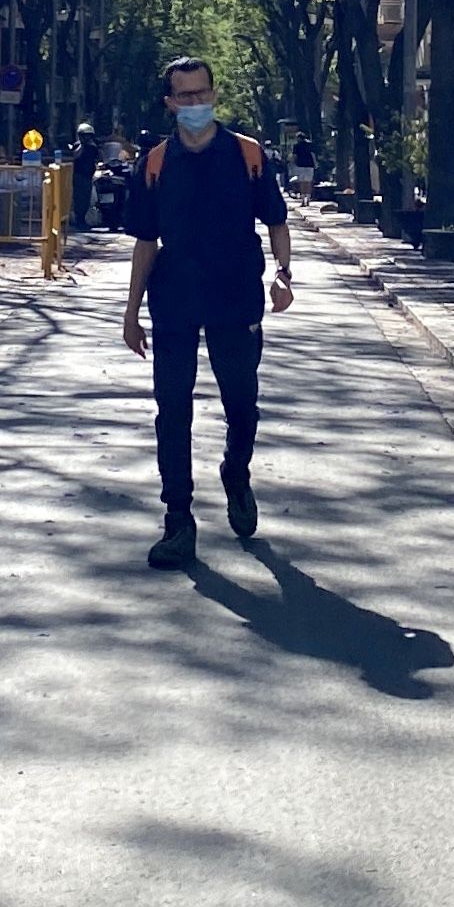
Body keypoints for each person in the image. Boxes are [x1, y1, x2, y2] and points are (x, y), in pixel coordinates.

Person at [121, 55, 296, 567]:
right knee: (172, 411)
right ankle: (178, 519)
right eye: (185, 96)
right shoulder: (153, 163)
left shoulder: (248, 155)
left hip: (236, 294)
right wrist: (131, 312)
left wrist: (283, 275)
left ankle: (235, 473)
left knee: (241, 403)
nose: (195, 104)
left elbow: (277, 222)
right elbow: (144, 242)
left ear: (214, 95)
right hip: (173, 299)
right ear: (170, 102)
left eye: (203, 94)